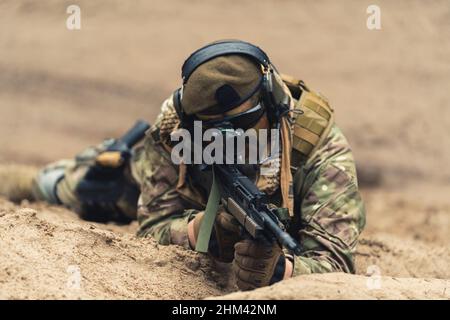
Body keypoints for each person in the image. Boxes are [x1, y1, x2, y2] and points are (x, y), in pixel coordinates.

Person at [1, 40, 366, 291]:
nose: (228, 143)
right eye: (212, 132)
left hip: (279, 211)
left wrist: (279, 272)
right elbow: (152, 228)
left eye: (240, 127)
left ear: (270, 102)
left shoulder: (318, 146)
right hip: (171, 189)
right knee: (91, 188)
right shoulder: (176, 127)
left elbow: (335, 260)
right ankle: (24, 179)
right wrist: (202, 231)